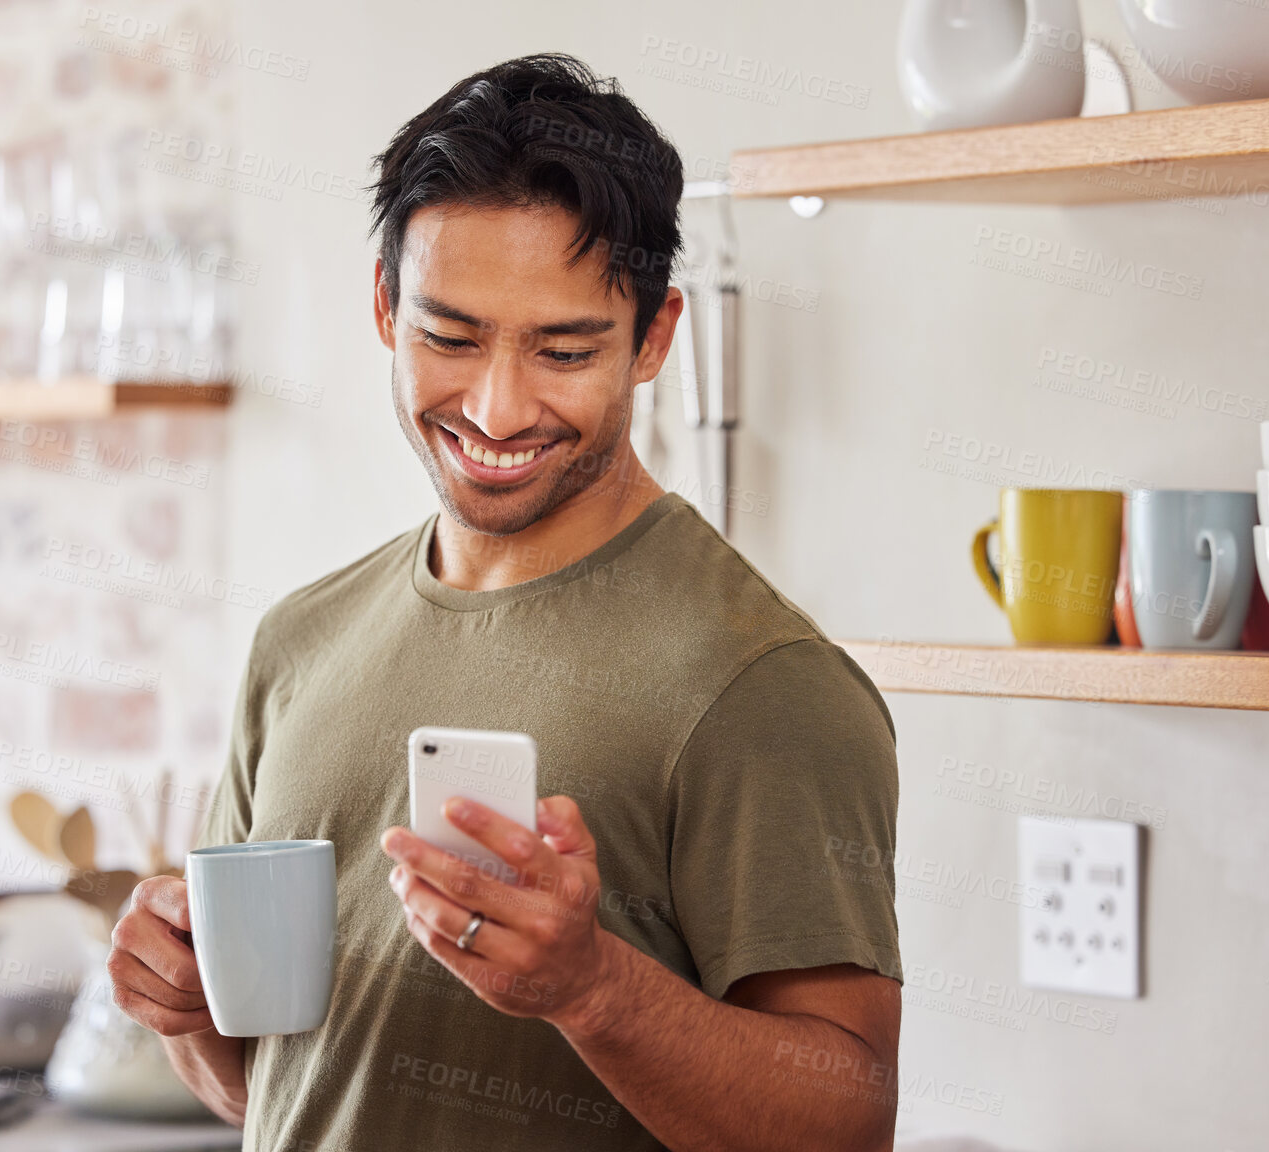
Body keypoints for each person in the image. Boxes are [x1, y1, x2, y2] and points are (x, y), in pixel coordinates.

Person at [107, 53, 902, 1152]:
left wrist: (593, 990)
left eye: (564, 350)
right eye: (451, 336)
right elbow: (275, 1088)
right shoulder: (300, 641)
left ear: (654, 337)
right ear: (387, 306)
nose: (496, 406)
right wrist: (185, 1006)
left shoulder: (761, 681)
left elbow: (845, 1125)